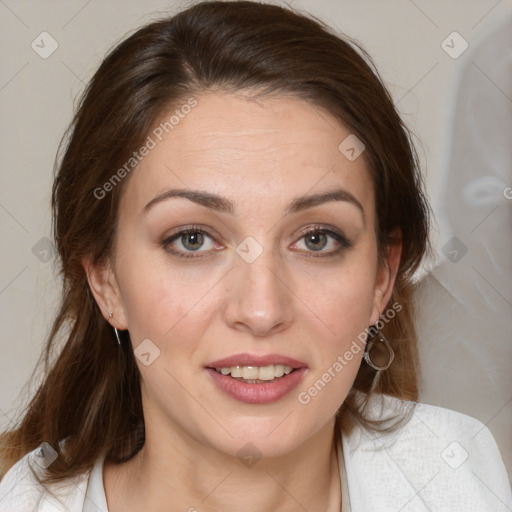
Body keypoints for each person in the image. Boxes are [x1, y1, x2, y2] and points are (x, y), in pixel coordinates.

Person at [0, 1, 510, 510]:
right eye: (193, 239)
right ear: (106, 280)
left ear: (383, 277)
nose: (262, 310)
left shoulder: (457, 474)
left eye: (317, 239)